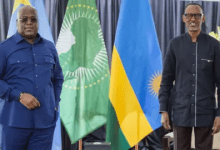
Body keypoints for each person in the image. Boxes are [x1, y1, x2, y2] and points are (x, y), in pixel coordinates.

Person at [0, 5, 63, 150]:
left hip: (45, 123)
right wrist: (19, 95)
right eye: (24, 19)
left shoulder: (49, 48)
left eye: (33, 19)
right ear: (17, 23)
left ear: (38, 23)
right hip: (13, 122)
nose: (29, 23)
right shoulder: (4, 48)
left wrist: (54, 103)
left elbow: (58, 78)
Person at [159, 3, 220, 150]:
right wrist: (164, 110)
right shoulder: (174, 45)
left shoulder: (214, 46)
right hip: (181, 112)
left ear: (203, 18)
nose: (193, 19)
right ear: (183, 18)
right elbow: (166, 80)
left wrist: (219, 114)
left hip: (205, 112)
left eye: (197, 15)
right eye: (189, 15)